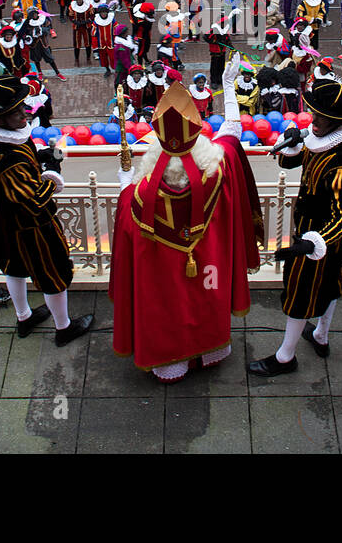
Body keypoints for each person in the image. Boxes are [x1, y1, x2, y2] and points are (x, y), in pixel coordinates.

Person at [110, 62, 263, 382]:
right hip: (209, 270)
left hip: (163, 279)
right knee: (207, 292)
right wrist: (228, 84)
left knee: (167, 303)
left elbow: (125, 247)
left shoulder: (135, 200)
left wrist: (125, 182)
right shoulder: (220, 170)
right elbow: (232, 132)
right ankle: (210, 350)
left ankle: (170, 363)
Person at [0, 74, 93, 346]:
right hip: (30, 227)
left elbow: (21, 153)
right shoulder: (10, 158)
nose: (24, 113)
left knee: (14, 267)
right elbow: (34, 201)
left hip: (3, 222)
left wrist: (40, 156)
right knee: (54, 273)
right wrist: (52, 171)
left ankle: (24, 317)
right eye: (15, 111)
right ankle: (64, 328)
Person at [248, 79, 342, 377]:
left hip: (321, 240)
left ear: (337, 123)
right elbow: (294, 163)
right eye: (312, 114)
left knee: (300, 294)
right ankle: (321, 337)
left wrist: (312, 243)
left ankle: (285, 357)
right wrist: (294, 143)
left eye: (321, 118)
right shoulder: (328, 141)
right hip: (314, 236)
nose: (313, 121)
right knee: (331, 286)